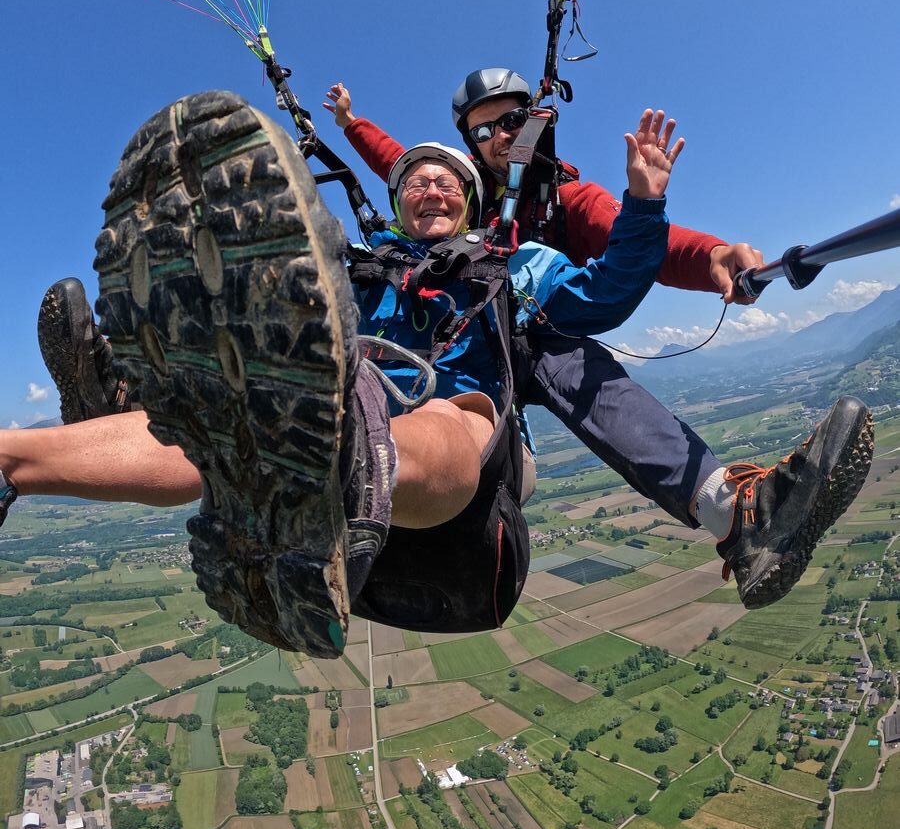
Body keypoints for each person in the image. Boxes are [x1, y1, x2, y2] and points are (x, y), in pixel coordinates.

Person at [2, 90, 685, 658]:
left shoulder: (514, 263)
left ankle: (353, 454)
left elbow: (605, 296)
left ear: (471, 206)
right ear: (398, 205)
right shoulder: (363, 268)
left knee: (448, 412)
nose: (433, 186)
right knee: (224, 428)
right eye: (416, 181)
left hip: (470, 459)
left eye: (449, 180)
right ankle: (34, 449)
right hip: (329, 421)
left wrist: (644, 204)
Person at [323, 74, 855, 599]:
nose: (499, 139)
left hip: (497, 374)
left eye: (511, 122)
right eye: (482, 133)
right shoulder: (386, 262)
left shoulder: (550, 219)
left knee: (559, 358)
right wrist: (350, 124)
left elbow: (621, 269)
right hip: (396, 377)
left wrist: (707, 252)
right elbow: (400, 162)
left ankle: (733, 511)